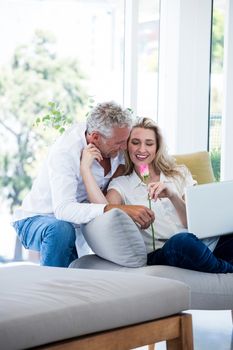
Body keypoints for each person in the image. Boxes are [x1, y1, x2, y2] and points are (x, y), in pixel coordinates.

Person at [80, 117, 233, 273]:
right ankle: (226, 269)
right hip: (167, 250)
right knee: (182, 242)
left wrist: (172, 195)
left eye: (149, 143)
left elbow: (192, 222)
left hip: (204, 243)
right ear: (127, 146)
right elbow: (102, 210)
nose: (142, 150)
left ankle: (216, 263)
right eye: (135, 142)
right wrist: (85, 169)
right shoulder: (121, 184)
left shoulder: (178, 173)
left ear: (157, 147)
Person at [12, 102, 154, 267]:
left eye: (126, 140)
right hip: (39, 219)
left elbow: (143, 161)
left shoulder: (117, 143)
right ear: (95, 137)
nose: (125, 147)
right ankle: (49, 288)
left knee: (75, 275)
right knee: (61, 230)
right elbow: (63, 210)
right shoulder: (65, 152)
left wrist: (147, 175)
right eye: (119, 143)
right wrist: (120, 209)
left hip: (77, 228)